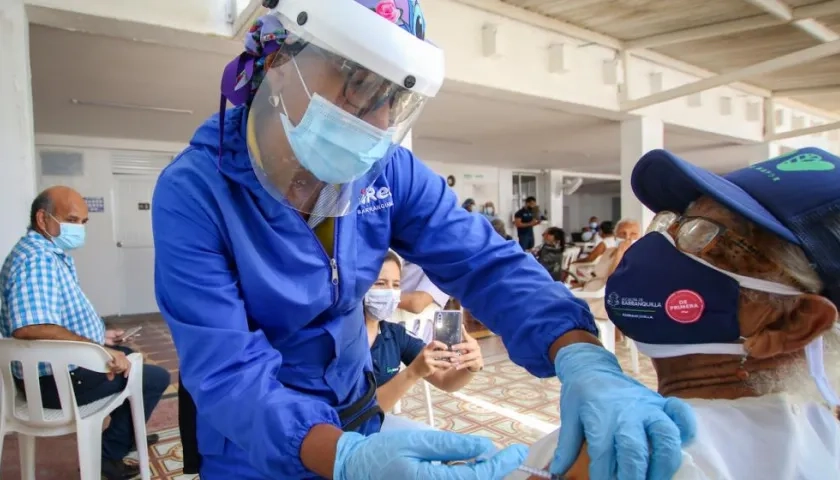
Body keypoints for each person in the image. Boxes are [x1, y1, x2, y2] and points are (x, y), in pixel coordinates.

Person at [152, 2, 695, 479]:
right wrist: (339, 459)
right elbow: (228, 369)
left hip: (357, 408)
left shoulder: (386, 174)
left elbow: (486, 262)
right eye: (358, 84)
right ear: (278, 62)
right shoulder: (197, 194)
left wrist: (581, 358)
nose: (378, 119)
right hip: (256, 445)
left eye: (394, 97)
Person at [512, 147, 840, 480]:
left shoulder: (637, 457)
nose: (664, 243)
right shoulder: (817, 423)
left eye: (711, 239)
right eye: (675, 221)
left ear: (793, 323)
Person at [0, 186, 170, 480]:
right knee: (152, 378)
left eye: (83, 222)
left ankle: (127, 436)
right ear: (43, 219)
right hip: (53, 381)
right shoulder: (36, 260)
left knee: (131, 359)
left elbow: (52, 319)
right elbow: (29, 327)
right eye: (72, 220)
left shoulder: (46, 252)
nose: (79, 229)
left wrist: (101, 339)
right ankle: (108, 454)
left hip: (57, 369)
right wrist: (101, 352)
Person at [365, 252, 483, 428]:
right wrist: (412, 373)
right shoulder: (342, 338)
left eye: (396, 285)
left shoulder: (394, 335)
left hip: (376, 426)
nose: (390, 292)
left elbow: (445, 381)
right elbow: (360, 412)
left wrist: (471, 366)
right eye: (380, 284)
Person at [393, 257, 450, 342]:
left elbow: (417, 303)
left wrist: (380, 296)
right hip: (387, 331)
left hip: (417, 334)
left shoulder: (443, 262)